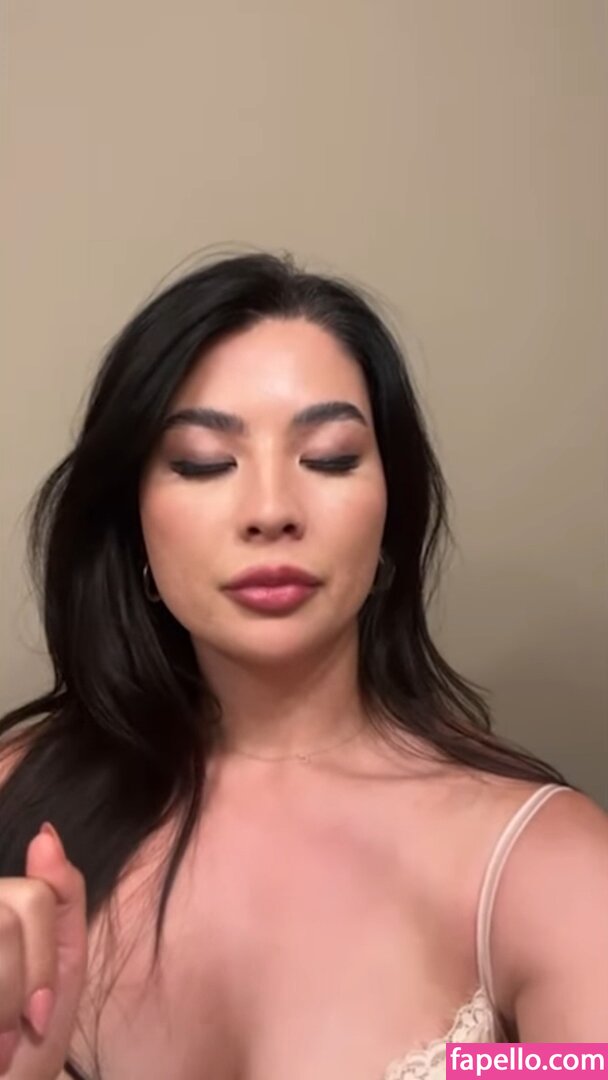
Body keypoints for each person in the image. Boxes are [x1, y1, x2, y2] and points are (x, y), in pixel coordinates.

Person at [0, 252, 606, 1080]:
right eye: (204, 462)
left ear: (391, 511)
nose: (272, 511)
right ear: (132, 520)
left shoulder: (544, 870)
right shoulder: (19, 802)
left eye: (328, 458)